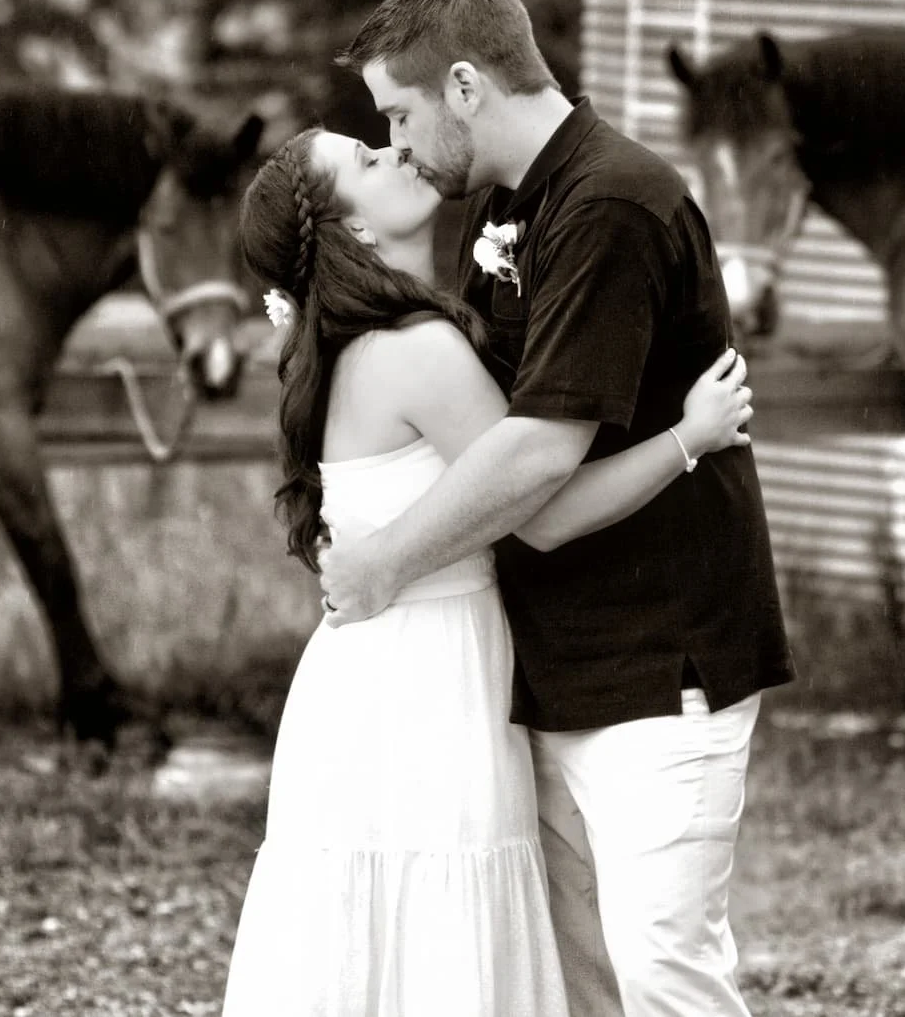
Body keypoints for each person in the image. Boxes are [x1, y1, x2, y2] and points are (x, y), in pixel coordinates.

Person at [316, 0, 796, 1017]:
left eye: (397, 113)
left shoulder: (611, 203)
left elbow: (537, 451)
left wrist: (383, 561)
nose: (395, 143)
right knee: (583, 982)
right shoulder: (506, 206)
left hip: (661, 663)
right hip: (555, 659)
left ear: (462, 86)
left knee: (662, 972)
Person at [222, 125, 756, 1017]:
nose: (394, 153)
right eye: (367, 159)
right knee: (444, 937)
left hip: (368, 674)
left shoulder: (340, 345)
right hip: (427, 677)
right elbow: (543, 508)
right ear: (353, 233)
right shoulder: (416, 349)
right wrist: (685, 440)